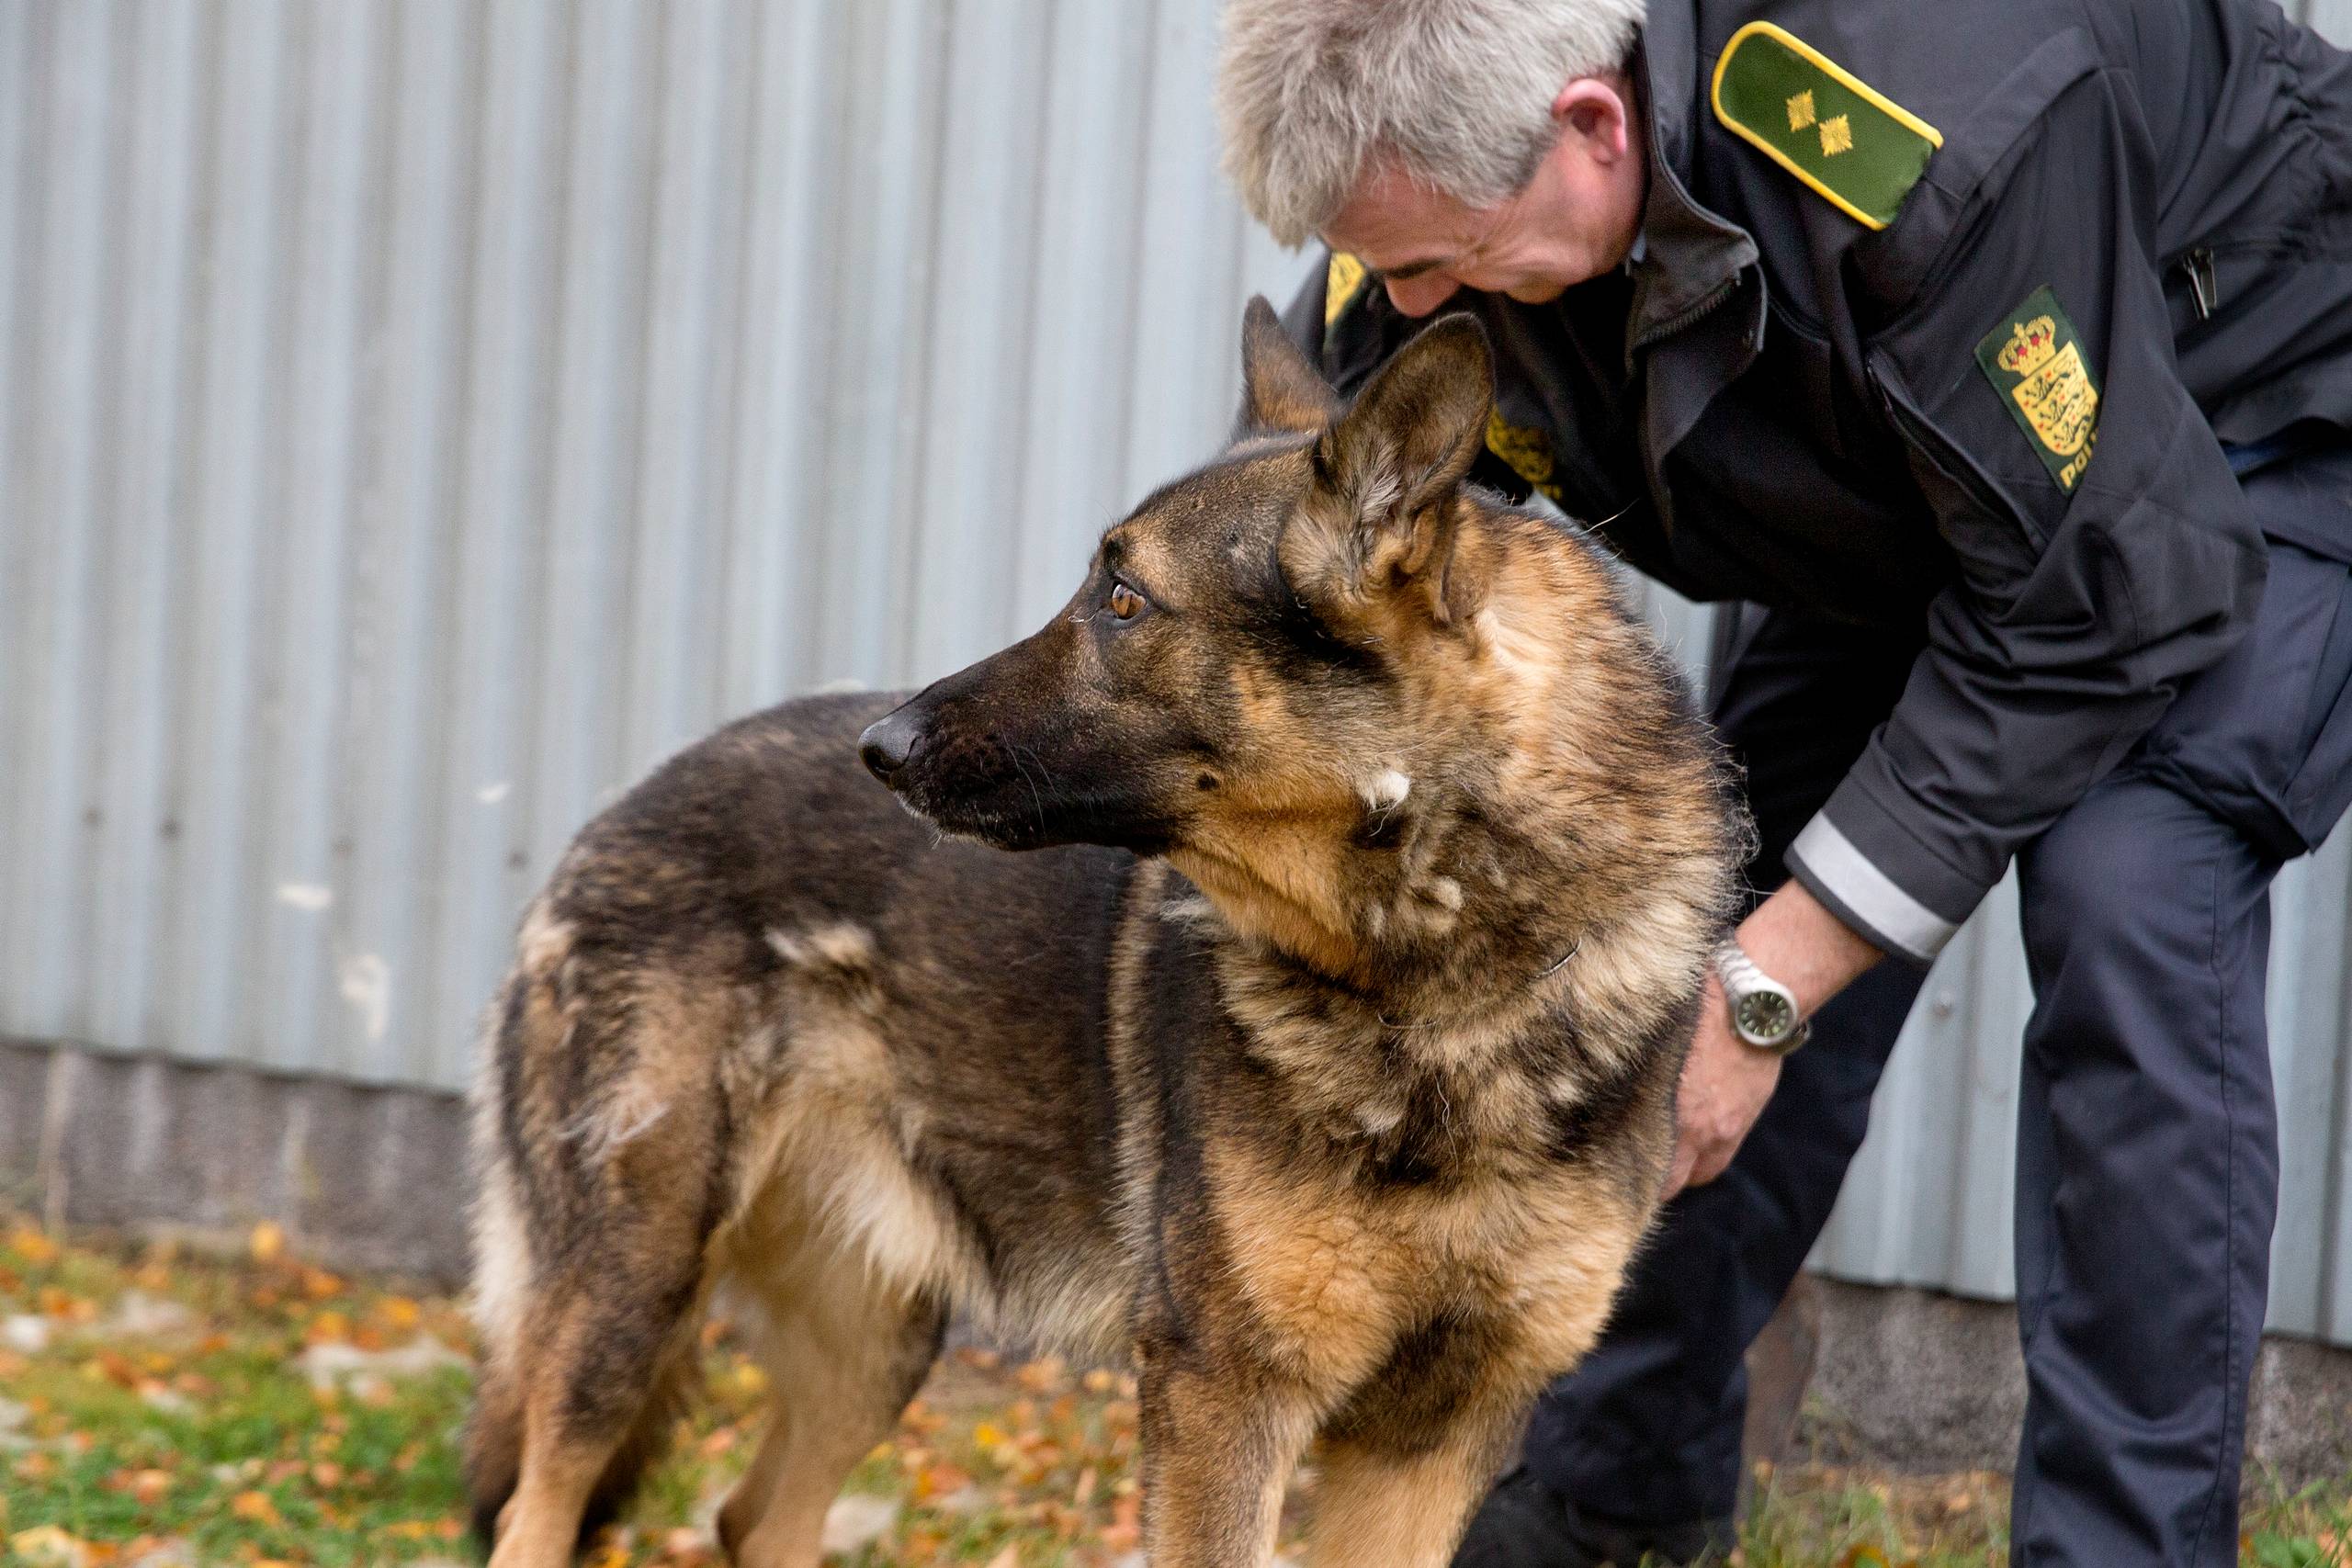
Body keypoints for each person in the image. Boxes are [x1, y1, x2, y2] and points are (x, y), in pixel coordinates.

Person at [1215, 1, 2352, 1563]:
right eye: (1382, 265)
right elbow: (1295, 558)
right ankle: (1603, 1498)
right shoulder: (1435, 206)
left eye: (1436, 261)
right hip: (1914, 460)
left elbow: (2102, 601)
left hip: (2243, 411)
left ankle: (2128, 1550)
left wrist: (1771, 992)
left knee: (2129, 895)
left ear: (1593, 129)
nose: (1407, 304)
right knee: (1690, 913)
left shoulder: (1925, 143)